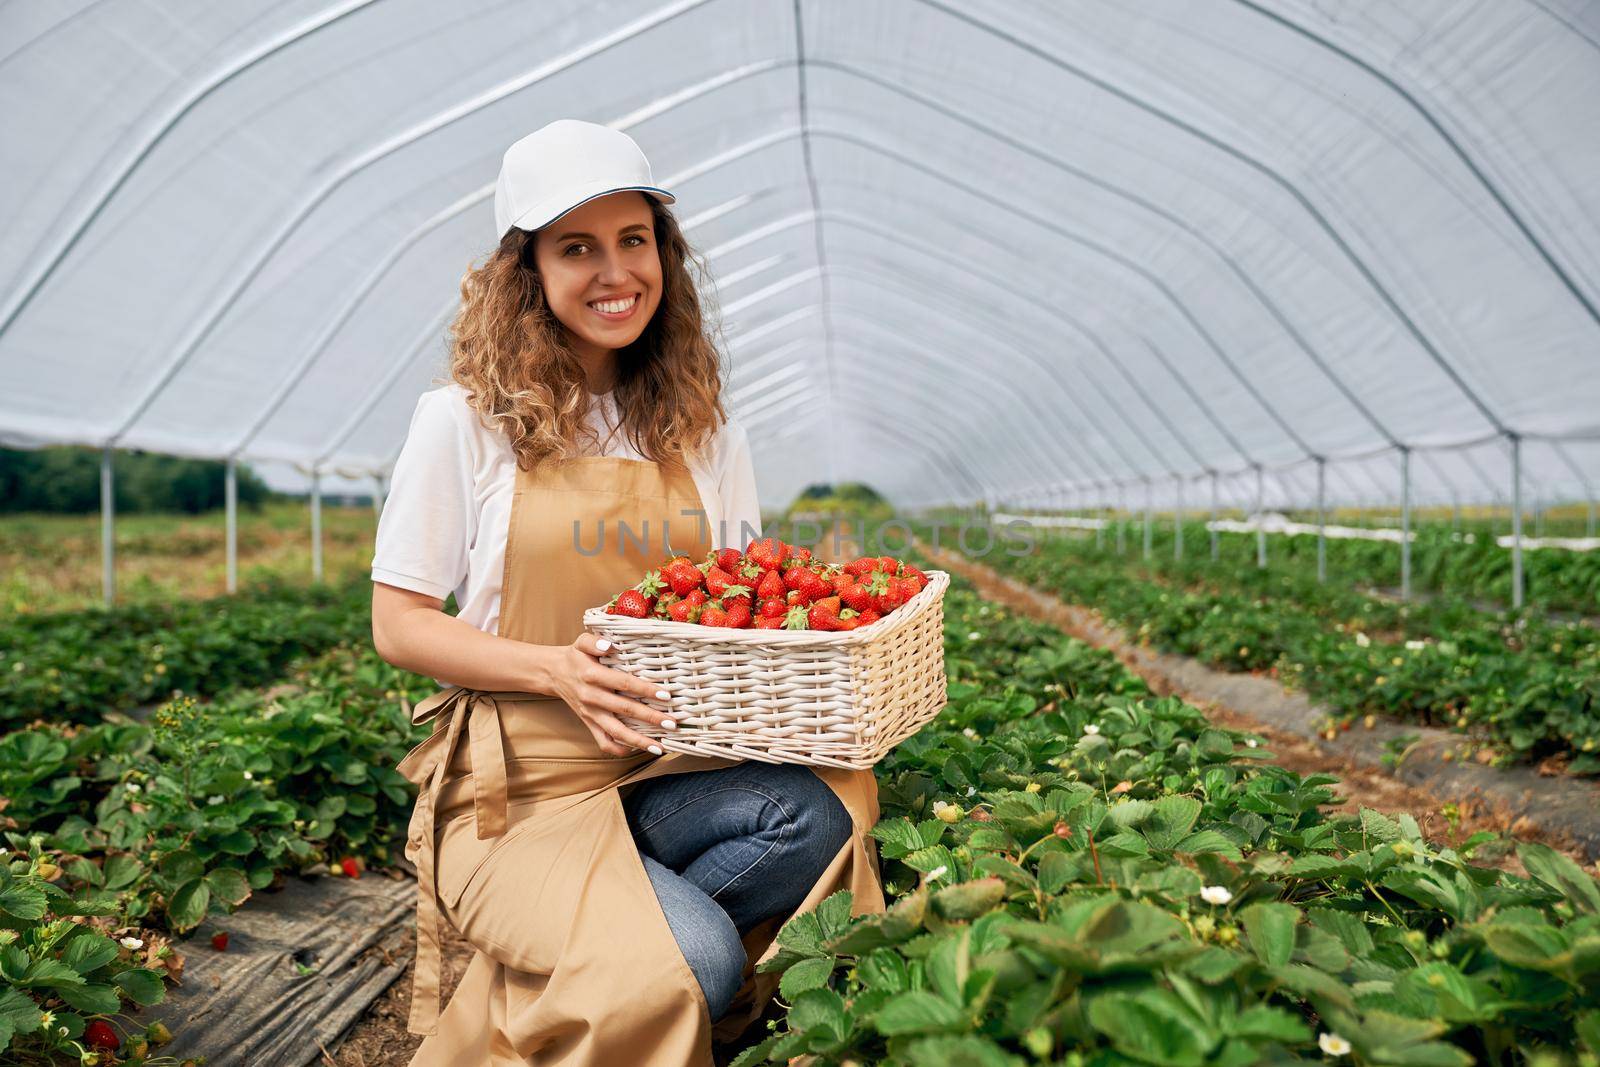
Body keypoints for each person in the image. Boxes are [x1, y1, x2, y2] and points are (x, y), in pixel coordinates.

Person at [368, 119, 886, 1066]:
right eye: (578, 249)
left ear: (664, 253)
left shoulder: (703, 431)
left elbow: (738, 593)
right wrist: (553, 671)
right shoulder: (462, 422)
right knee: (690, 958)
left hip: (667, 769)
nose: (616, 273)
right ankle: (615, 960)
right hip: (519, 792)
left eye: (634, 240)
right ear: (525, 272)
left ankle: (600, 939)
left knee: (828, 809)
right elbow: (398, 625)